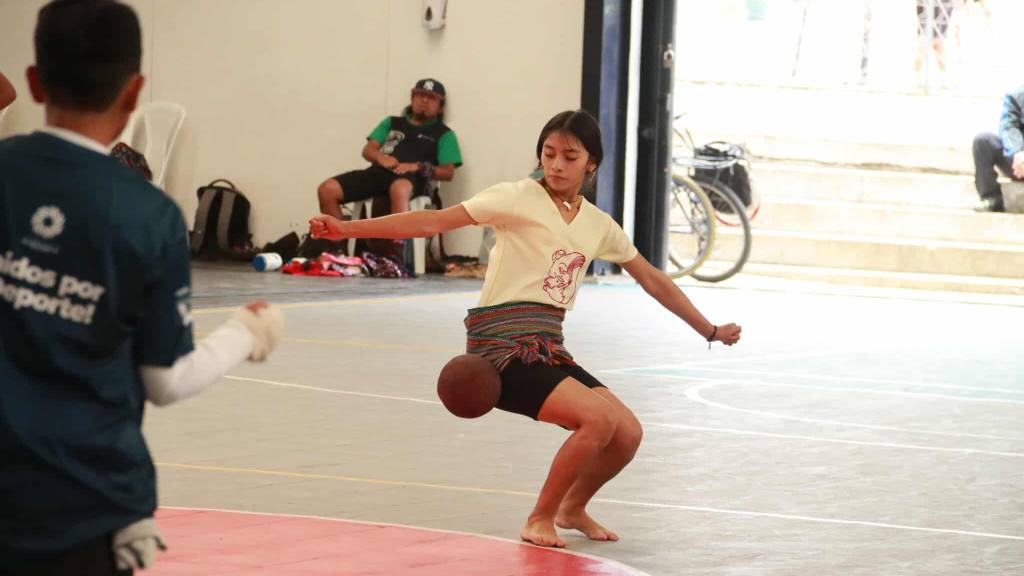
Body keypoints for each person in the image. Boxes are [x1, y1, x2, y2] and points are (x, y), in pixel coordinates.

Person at [309, 110, 741, 548]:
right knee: (596, 419)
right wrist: (346, 228)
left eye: (569, 156)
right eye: (549, 153)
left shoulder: (598, 225)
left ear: (591, 163)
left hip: (546, 346)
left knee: (627, 433)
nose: (556, 164)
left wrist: (708, 329)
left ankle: (572, 508)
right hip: (500, 346)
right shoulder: (515, 197)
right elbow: (432, 221)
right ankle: (540, 518)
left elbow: (653, 279)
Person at [0, 1, 284, 574]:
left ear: (33, 81)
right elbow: (166, 379)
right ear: (134, 94)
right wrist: (244, 334)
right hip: (83, 499)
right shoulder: (147, 214)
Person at [316, 78, 463, 221]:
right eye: (420, 95)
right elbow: (368, 150)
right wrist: (382, 158)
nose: (424, 100)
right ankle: (337, 243)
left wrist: (416, 167)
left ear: (440, 107)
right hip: (379, 173)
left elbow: (447, 172)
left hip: (414, 180)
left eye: (431, 97)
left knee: (400, 188)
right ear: (412, 98)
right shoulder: (392, 122)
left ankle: (397, 245)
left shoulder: (445, 134)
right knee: (327, 189)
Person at [972, 84, 1024, 212]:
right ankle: (991, 198)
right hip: (1020, 163)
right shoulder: (1016, 95)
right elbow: (1008, 126)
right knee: (983, 141)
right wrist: (1018, 152)